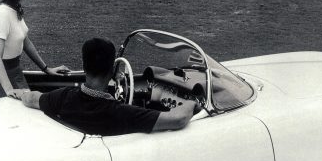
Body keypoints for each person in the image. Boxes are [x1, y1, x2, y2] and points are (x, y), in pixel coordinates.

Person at [15, 37, 194, 135]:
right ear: (112, 71)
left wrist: (18, 92)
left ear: (84, 67)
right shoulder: (122, 113)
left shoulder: (62, 97)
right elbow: (178, 119)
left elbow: (31, 98)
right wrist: (191, 101)